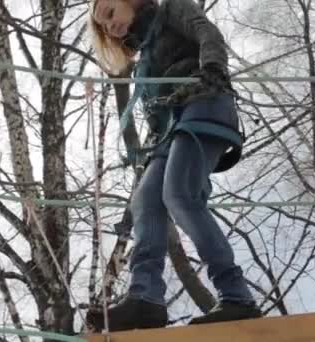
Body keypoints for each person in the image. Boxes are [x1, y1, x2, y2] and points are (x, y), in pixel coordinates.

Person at [85, 0, 262, 333]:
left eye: (110, 13)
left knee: (179, 194)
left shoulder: (172, 10)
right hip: (170, 129)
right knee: (146, 201)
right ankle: (146, 299)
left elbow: (206, 32)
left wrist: (212, 68)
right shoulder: (143, 60)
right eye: (103, 26)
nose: (110, 26)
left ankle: (236, 295)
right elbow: (156, 113)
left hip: (205, 100)